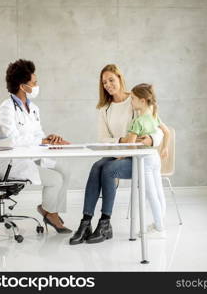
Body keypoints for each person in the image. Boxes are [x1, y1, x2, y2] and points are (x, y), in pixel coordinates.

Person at [69, 64, 164, 245]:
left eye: (111, 80)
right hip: (118, 153)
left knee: (108, 169)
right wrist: (121, 141)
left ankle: (105, 223)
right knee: (97, 166)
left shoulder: (135, 100)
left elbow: (157, 126)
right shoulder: (105, 108)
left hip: (138, 157)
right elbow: (103, 139)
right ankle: (86, 222)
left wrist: (151, 140)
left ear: (120, 78)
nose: (108, 85)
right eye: (104, 82)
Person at [0, 59, 72, 233]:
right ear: (23, 86)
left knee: (65, 169)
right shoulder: (6, 108)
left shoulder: (33, 108)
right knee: (55, 180)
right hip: (11, 163)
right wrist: (40, 141)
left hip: (32, 157)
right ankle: (49, 213)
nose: (37, 86)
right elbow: (12, 140)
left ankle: (50, 210)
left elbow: (38, 136)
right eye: (34, 83)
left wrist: (49, 139)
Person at [120, 83, 169, 238]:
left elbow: (130, 144)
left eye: (133, 99)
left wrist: (126, 145)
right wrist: (165, 148)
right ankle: (160, 222)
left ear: (142, 100)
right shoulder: (154, 116)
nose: (131, 102)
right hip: (154, 157)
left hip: (144, 160)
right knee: (159, 191)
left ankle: (159, 228)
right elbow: (167, 132)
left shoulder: (138, 121)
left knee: (151, 194)